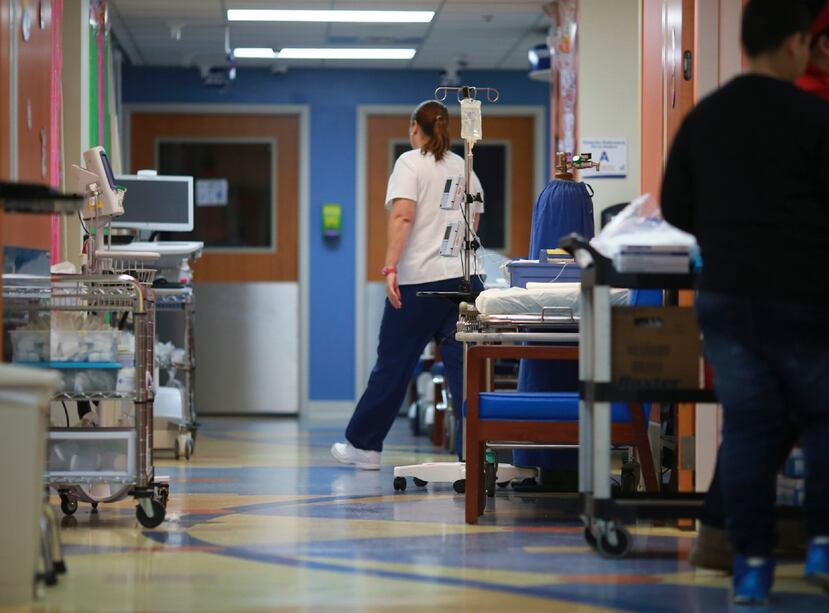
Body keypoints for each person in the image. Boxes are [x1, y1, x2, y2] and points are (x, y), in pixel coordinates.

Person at [661, 0, 829, 605]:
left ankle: (752, 566)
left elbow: (676, 207)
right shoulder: (815, 116)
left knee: (751, 430)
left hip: (729, 301)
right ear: (793, 46)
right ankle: (823, 547)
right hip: (809, 299)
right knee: (821, 422)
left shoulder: (706, 118)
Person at [331, 100, 484, 470]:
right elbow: (474, 218)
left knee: (394, 365)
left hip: (421, 283)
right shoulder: (466, 166)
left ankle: (364, 447)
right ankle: (476, 454)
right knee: (466, 370)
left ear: (416, 127)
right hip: (465, 282)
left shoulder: (409, 162)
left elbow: (402, 215)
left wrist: (389, 267)